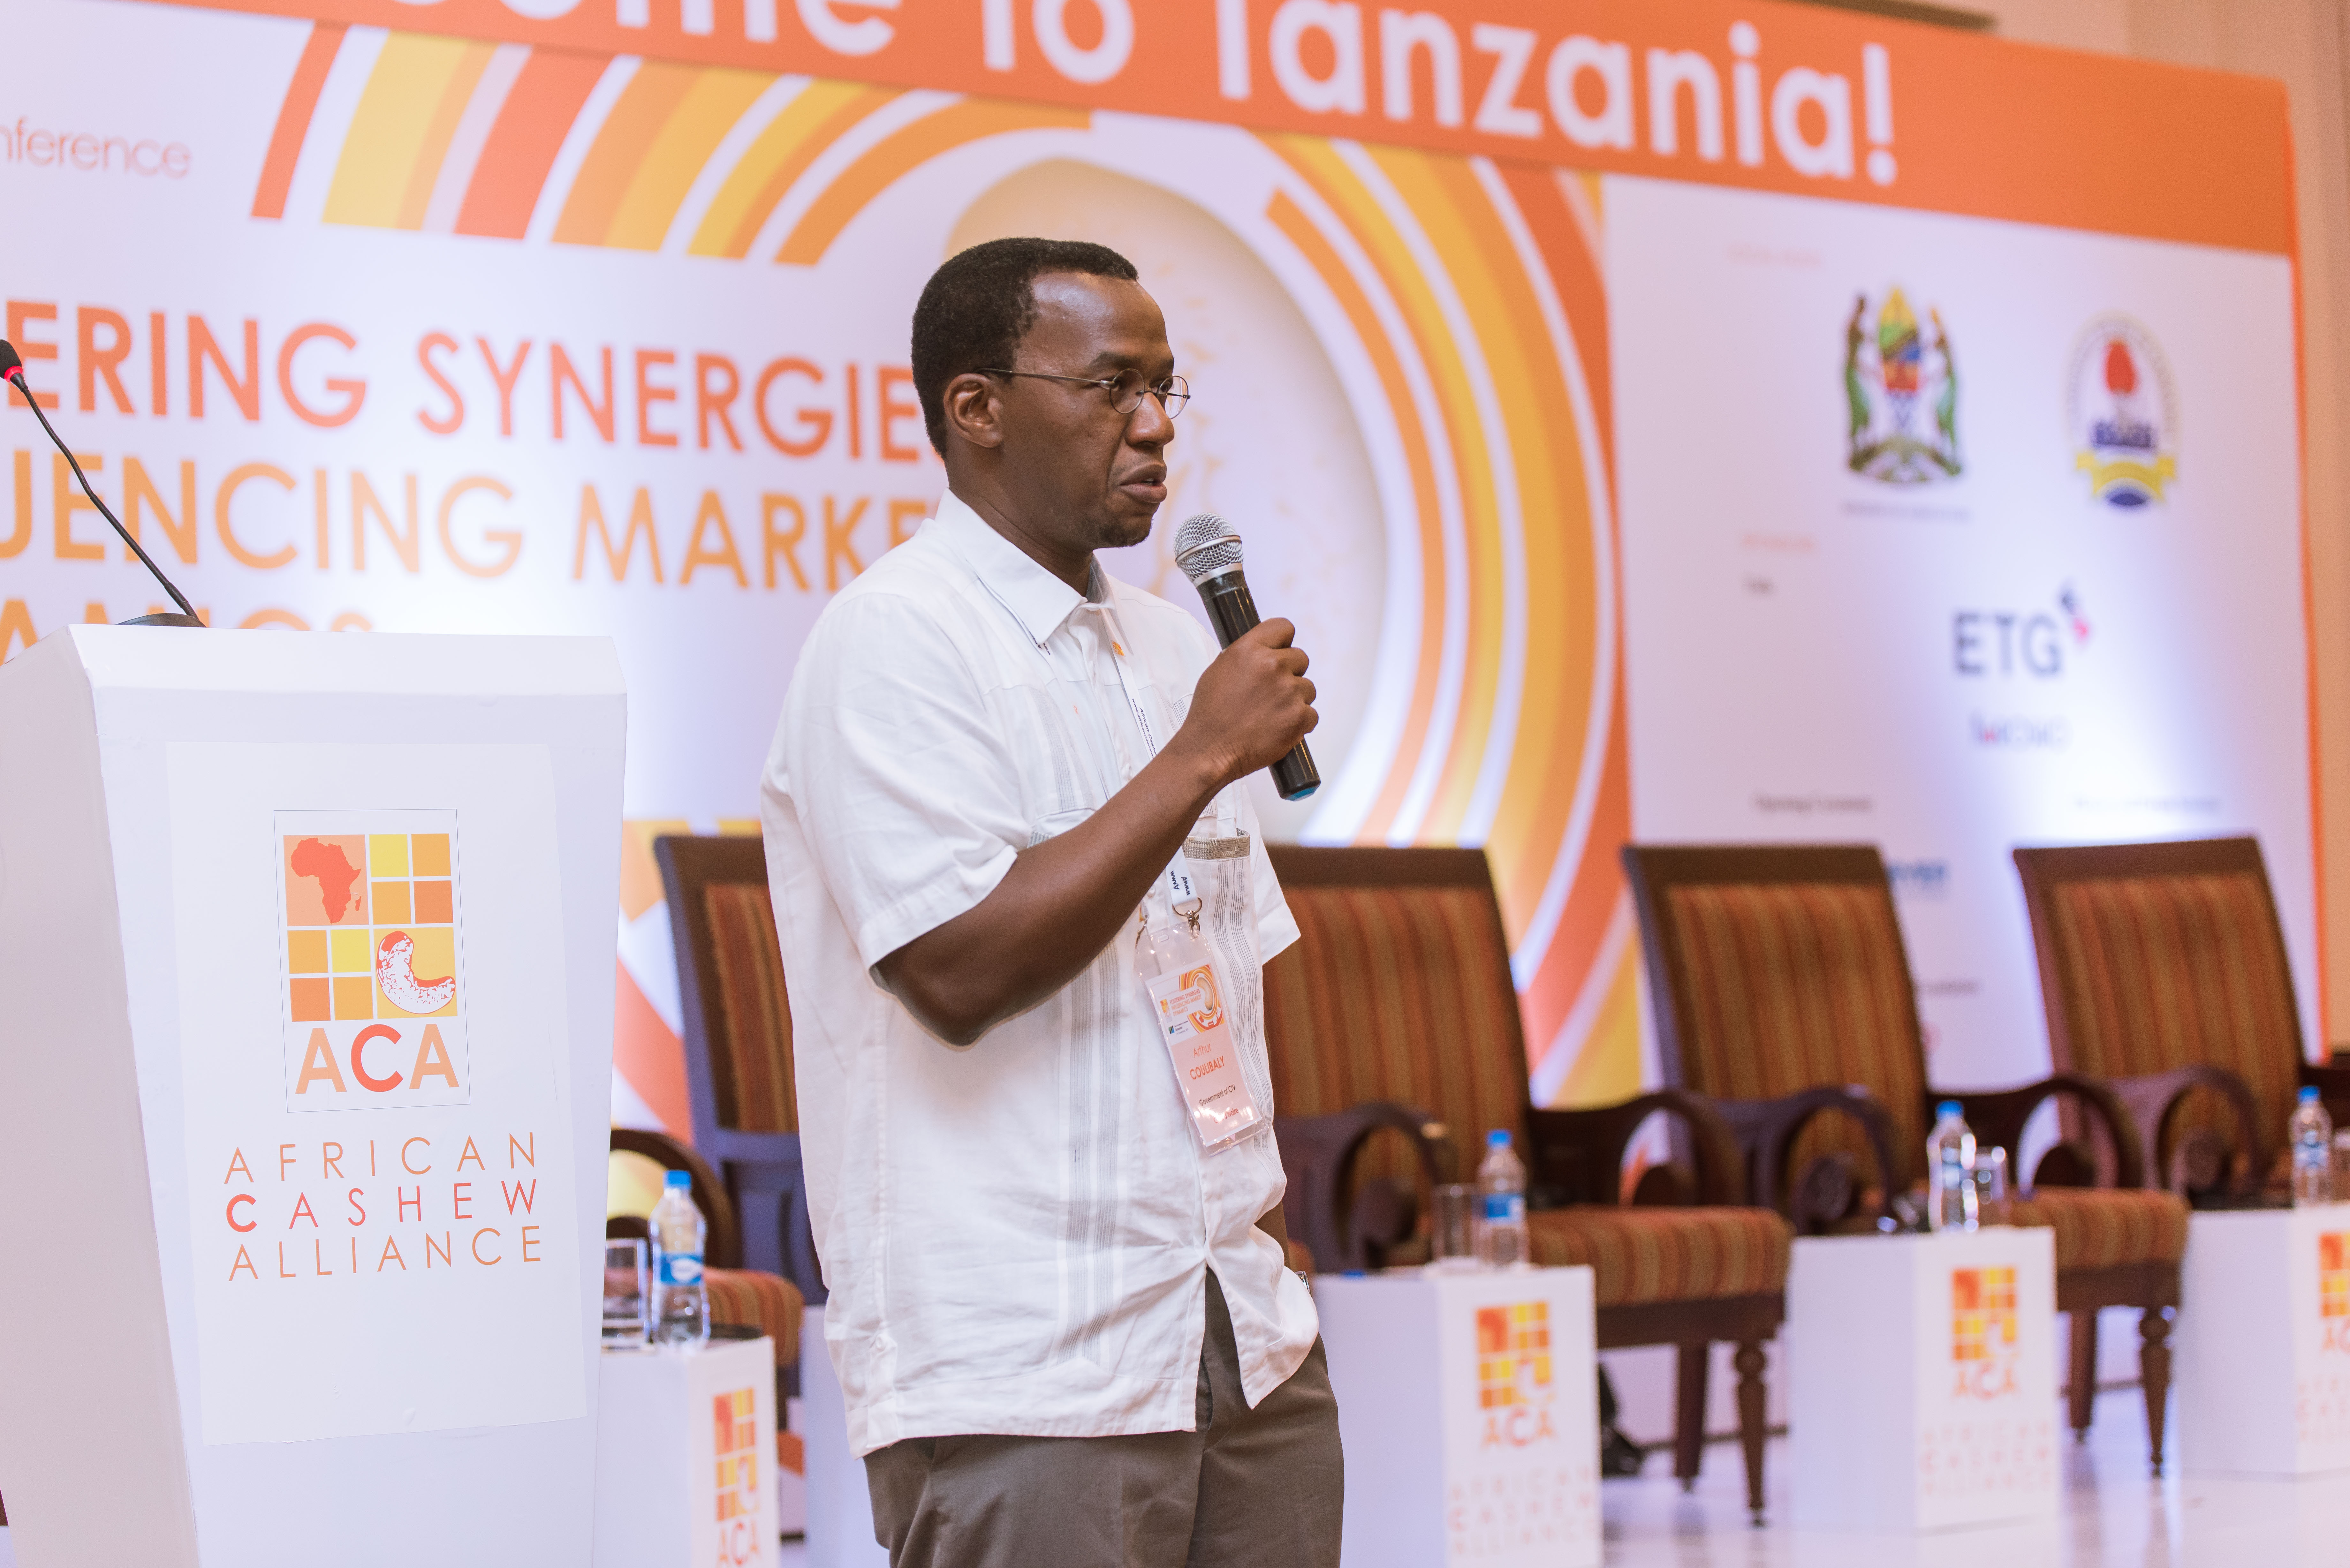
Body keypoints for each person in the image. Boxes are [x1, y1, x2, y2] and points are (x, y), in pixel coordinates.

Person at [760, 237, 1343, 1567]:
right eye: (1111, 386)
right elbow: (958, 973)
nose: (1155, 426)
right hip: (1026, 1358)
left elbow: (1231, 976)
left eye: (1165, 387)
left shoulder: (1170, 644)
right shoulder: (894, 640)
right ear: (976, 408)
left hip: (1238, 1331)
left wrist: (1270, 1242)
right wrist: (1200, 754)